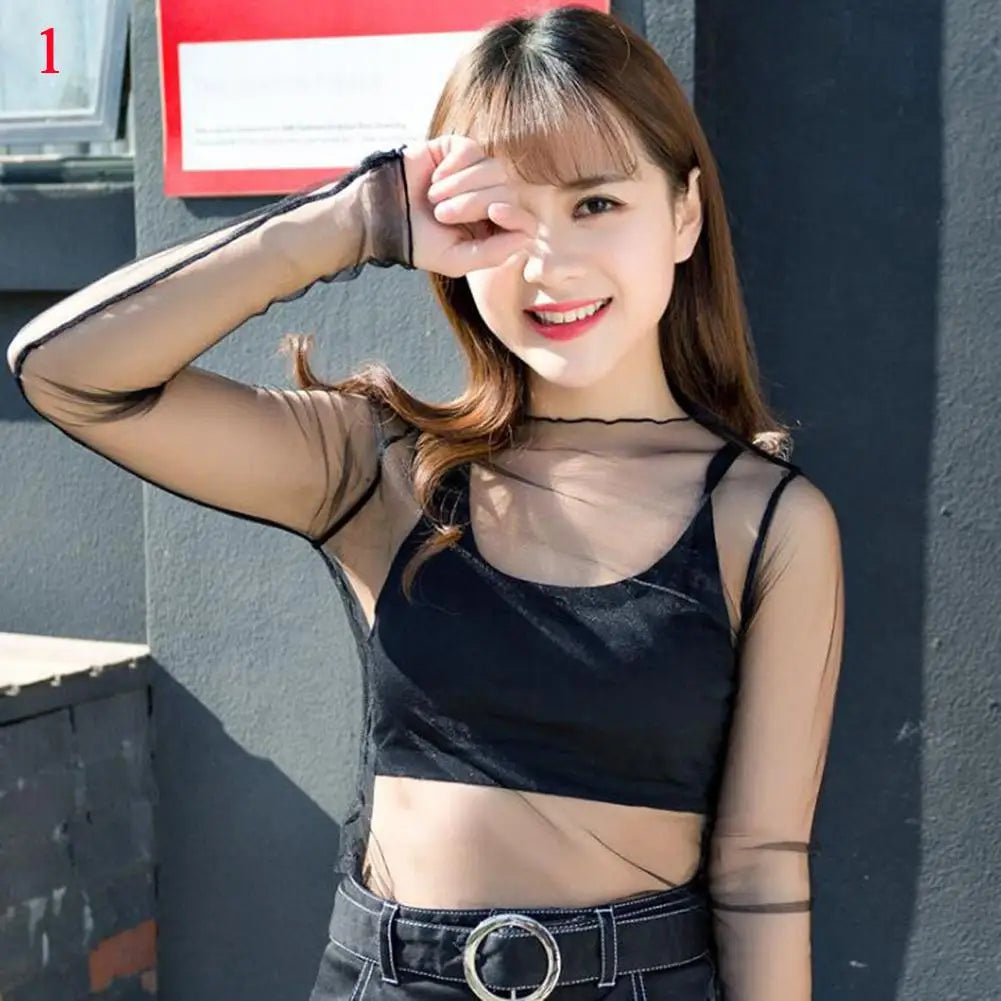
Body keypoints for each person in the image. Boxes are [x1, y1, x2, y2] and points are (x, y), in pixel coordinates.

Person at [6, 6, 844, 1001]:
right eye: (503, 216)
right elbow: (67, 372)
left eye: (594, 203)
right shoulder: (380, 467)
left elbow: (760, 868)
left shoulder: (763, 520)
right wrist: (357, 218)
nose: (547, 263)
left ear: (682, 215)